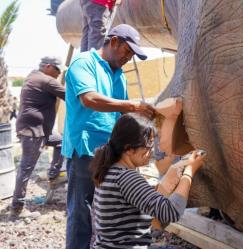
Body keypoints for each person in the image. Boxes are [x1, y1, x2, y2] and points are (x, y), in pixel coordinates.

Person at [62, 24, 155, 249]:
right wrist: (132, 105)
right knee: (82, 214)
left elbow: (123, 113)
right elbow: (90, 99)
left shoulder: (119, 75)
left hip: (110, 153)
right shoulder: (84, 63)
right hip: (85, 151)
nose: (128, 57)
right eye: (127, 51)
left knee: (110, 213)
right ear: (113, 42)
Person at [90, 113, 205, 249]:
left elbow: (139, 198)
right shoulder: (126, 177)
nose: (151, 150)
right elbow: (171, 212)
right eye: (148, 145)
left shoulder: (109, 169)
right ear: (129, 149)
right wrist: (189, 172)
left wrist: (170, 176)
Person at [10, 56, 66, 218]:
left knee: (61, 141)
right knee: (25, 169)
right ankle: (17, 207)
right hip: (34, 132)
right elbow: (71, 96)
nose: (58, 74)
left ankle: (53, 174)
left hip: (38, 130)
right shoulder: (46, 80)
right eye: (57, 70)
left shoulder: (32, 75)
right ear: (48, 66)